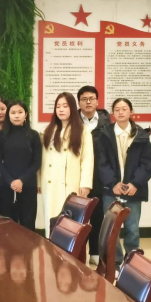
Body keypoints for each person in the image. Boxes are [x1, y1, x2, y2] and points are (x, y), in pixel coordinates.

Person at [97, 98, 151, 269]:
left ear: (131, 112)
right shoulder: (105, 134)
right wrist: (113, 183)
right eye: (117, 109)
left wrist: (135, 184)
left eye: (124, 109)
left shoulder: (142, 135)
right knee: (112, 229)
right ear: (112, 113)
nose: (121, 112)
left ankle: (131, 263)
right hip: (111, 190)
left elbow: (148, 163)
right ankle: (114, 262)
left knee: (132, 228)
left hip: (133, 191)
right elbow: (101, 162)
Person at [39, 92, 93, 238]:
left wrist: (85, 184)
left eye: (65, 106)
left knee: (71, 224)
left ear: (72, 108)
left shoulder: (82, 131)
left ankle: (72, 251)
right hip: (50, 184)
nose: (61, 109)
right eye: (58, 106)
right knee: (51, 221)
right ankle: (52, 249)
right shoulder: (47, 131)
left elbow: (87, 159)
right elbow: (42, 159)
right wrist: (39, 181)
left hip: (72, 183)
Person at [77, 85, 111, 265]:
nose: (88, 102)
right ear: (79, 102)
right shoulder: (73, 121)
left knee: (98, 215)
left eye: (91, 98)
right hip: (78, 175)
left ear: (97, 101)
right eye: (84, 99)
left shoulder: (107, 123)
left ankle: (95, 252)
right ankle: (78, 251)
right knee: (79, 215)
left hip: (99, 175)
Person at [0, 101, 42, 231]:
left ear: (25, 114)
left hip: (28, 185)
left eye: (20, 112)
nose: (16, 115)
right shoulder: (1, 135)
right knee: (6, 226)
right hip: (6, 185)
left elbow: (37, 162)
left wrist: (21, 181)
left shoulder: (33, 135)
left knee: (28, 224)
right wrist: (11, 181)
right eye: (13, 112)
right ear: (8, 115)